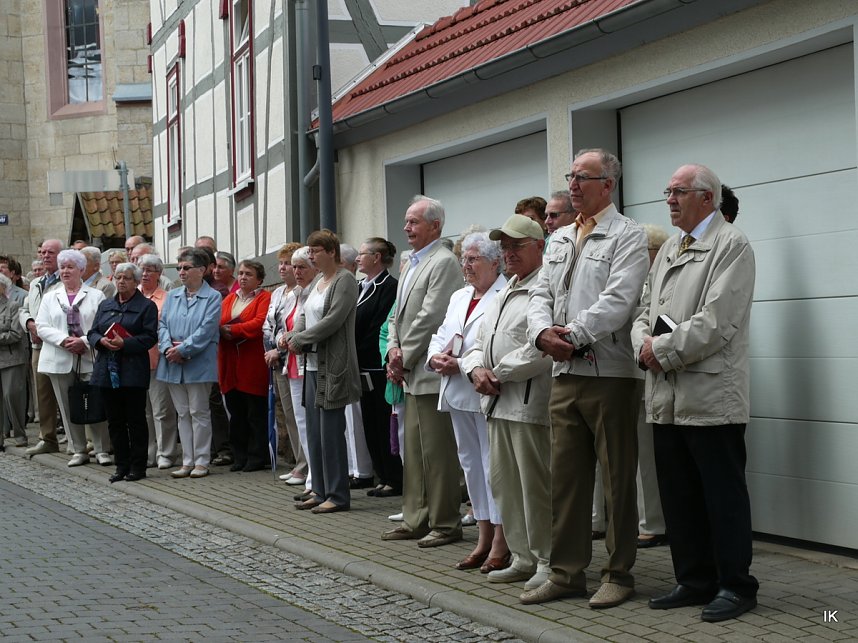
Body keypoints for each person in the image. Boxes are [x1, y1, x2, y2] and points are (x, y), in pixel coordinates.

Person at [632, 164, 758, 622]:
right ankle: (693, 579)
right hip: (666, 397)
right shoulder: (668, 248)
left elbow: (716, 323)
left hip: (710, 399)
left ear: (707, 197)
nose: (669, 199)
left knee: (721, 496)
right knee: (679, 494)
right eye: (667, 191)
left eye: (678, 191)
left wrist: (657, 351)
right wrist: (643, 345)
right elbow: (644, 311)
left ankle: (736, 585)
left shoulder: (731, 245)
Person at [523, 148, 649, 609]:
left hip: (609, 373)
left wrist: (572, 335)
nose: (573, 185)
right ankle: (566, 572)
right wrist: (541, 334)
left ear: (608, 185)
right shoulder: (558, 239)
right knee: (567, 481)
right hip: (563, 371)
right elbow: (540, 292)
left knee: (616, 479)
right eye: (571, 176)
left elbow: (620, 300)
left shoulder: (627, 235)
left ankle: (618, 574)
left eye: (583, 177)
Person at [463, 214, 553, 590]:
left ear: (539, 247)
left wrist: (496, 373)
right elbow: (477, 344)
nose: (509, 252)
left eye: (517, 245)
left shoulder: (546, 289)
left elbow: (543, 349)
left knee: (536, 488)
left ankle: (548, 560)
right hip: (496, 404)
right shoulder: (502, 293)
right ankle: (521, 556)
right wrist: (473, 371)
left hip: (529, 405)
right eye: (505, 246)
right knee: (504, 485)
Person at [382, 195, 464, 548]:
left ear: (435, 225)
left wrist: (405, 356)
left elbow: (431, 316)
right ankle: (415, 517)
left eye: (414, 222)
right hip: (411, 369)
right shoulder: (412, 262)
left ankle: (445, 522)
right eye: (406, 220)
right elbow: (399, 313)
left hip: (428, 373)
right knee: (413, 452)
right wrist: (393, 349)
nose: (406, 228)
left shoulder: (443, 262)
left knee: (437, 454)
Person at [427, 232, 508, 571]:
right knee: (471, 465)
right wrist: (434, 358)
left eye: (473, 259)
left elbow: (494, 345)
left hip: (486, 391)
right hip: (457, 391)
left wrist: (458, 363)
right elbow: (441, 335)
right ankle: (483, 535)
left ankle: (502, 541)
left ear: (494, 262)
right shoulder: (460, 295)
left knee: (493, 467)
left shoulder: (505, 293)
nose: (466, 265)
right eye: (464, 258)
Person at [283, 229, 361, 514]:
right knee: (315, 433)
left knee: (331, 433)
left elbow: (333, 319)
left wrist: (299, 340)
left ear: (331, 252)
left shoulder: (345, 280)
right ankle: (319, 489)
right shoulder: (318, 281)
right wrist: (294, 334)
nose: (311, 256)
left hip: (334, 367)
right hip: (312, 366)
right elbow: (304, 314)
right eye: (310, 251)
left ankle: (338, 495)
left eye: (316, 251)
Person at [35, 249, 112, 467]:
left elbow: (103, 325)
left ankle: (101, 449)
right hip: (59, 357)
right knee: (67, 406)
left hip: (89, 356)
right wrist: (64, 340)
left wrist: (84, 341)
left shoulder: (96, 295)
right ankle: (78, 449)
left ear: (81, 269)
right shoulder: (50, 297)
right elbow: (41, 326)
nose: (65, 271)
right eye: (62, 267)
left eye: (70, 267)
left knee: (95, 402)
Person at [88, 263, 158, 482]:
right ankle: (121, 465)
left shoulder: (146, 306)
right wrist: (100, 341)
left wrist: (124, 343)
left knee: (135, 420)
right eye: (118, 277)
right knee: (115, 421)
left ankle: (138, 466)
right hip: (107, 369)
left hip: (132, 370)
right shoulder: (106, 304)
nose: (121, 282)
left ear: (136, 281)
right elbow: (92, 332)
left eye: (126, 278)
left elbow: (149, 337)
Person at [157, 248, 221, 479]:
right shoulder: (172, 295)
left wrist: (183, 350)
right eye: (179, 268)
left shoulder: (213, 297)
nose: (181, 272)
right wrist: (167, 348)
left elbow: (206, 330)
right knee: (182, 413)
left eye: (186, 268)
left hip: (198, 362)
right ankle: (187, 460)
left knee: (199, 411)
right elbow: (162, 325)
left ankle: (202, 461)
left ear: (202, 270)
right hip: (171, 362)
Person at [354, 237, 401, 498]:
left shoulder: (389, 286)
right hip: (360, 365)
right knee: (369, 422)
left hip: (376, 364)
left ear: (377, 257)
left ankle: (393, 477)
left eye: (363, 253)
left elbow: (377, 327)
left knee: (384, 421)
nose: (358, 258)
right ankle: (381, 474)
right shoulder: (360, 285)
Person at [218, 260, 271, 472]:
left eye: (248, 274)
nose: (242, 277)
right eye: (240, 273)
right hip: (230, 361)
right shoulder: (230, 298)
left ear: (259, 279)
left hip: (252, 361)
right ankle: (239, 455)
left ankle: (257, 456)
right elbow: (218, 321)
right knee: (236, 412)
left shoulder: (264, 298)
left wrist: (234, 330)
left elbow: (259, 323)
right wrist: (225, 330)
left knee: (254, 413)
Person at [635, 224, 670, 549]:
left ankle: (654, 523)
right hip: (638, 370)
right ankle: (648, 520)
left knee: (649, 455)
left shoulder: (657, 278)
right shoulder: (639, 279)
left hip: (656, 371)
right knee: (642, 454)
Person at [263, 243, 307, 485]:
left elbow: (294, 328)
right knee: (288, 414)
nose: (283, 267)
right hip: (277, 359)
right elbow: (268, 325)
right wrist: (270, 349)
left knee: (300, 414)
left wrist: (277, 351)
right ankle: (299, 461)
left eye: (288, 263)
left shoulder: (302, 293)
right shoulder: (278, 293)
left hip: (289, 356)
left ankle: (305, 464)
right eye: (280, 263)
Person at [22, 239, 64, 457]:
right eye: (44, 252)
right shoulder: (36, 282)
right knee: (43, 394)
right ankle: (47, 438)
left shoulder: (65, 280)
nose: (46, 256)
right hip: (38, 347)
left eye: (51, 252)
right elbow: (24, 309)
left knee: (66, 395)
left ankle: (79, 442)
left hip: (59, 345)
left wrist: (46, 330)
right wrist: (29, 322)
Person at [138, 253, 179, 469]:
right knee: (143, 411)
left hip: (158, 358)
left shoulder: (167, 297)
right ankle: (148, 452)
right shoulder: (132, 295)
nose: (144, 274)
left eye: (149, 270)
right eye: (142, 270)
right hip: (134, 360)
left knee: (162, 409)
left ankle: (167, 452)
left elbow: (169, 327)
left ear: (159, 274)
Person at [284, 247, 318, 497]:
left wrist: (294, 337)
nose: (296, 272)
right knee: (302, 424)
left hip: (312, 364)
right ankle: (310, 477)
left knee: (315, 424)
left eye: (302, 266)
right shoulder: (293, 294)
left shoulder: (317, 290)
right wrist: (281, 339)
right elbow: (283, 323)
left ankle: (316, 478)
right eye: (294, 267)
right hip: (294, 364)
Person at [340, 243, 373, 489]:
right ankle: (354, 467)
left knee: (359, 419)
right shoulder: (358, 285)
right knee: (349, 419)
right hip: (346, 359)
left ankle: (363, 470)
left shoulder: (353, 285)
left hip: (361, 360)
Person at [0, 274, 29, 447]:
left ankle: (20, 433)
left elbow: (17, 334)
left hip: (12, 359)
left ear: (3, 287)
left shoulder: (13, 306)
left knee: (12, 396)